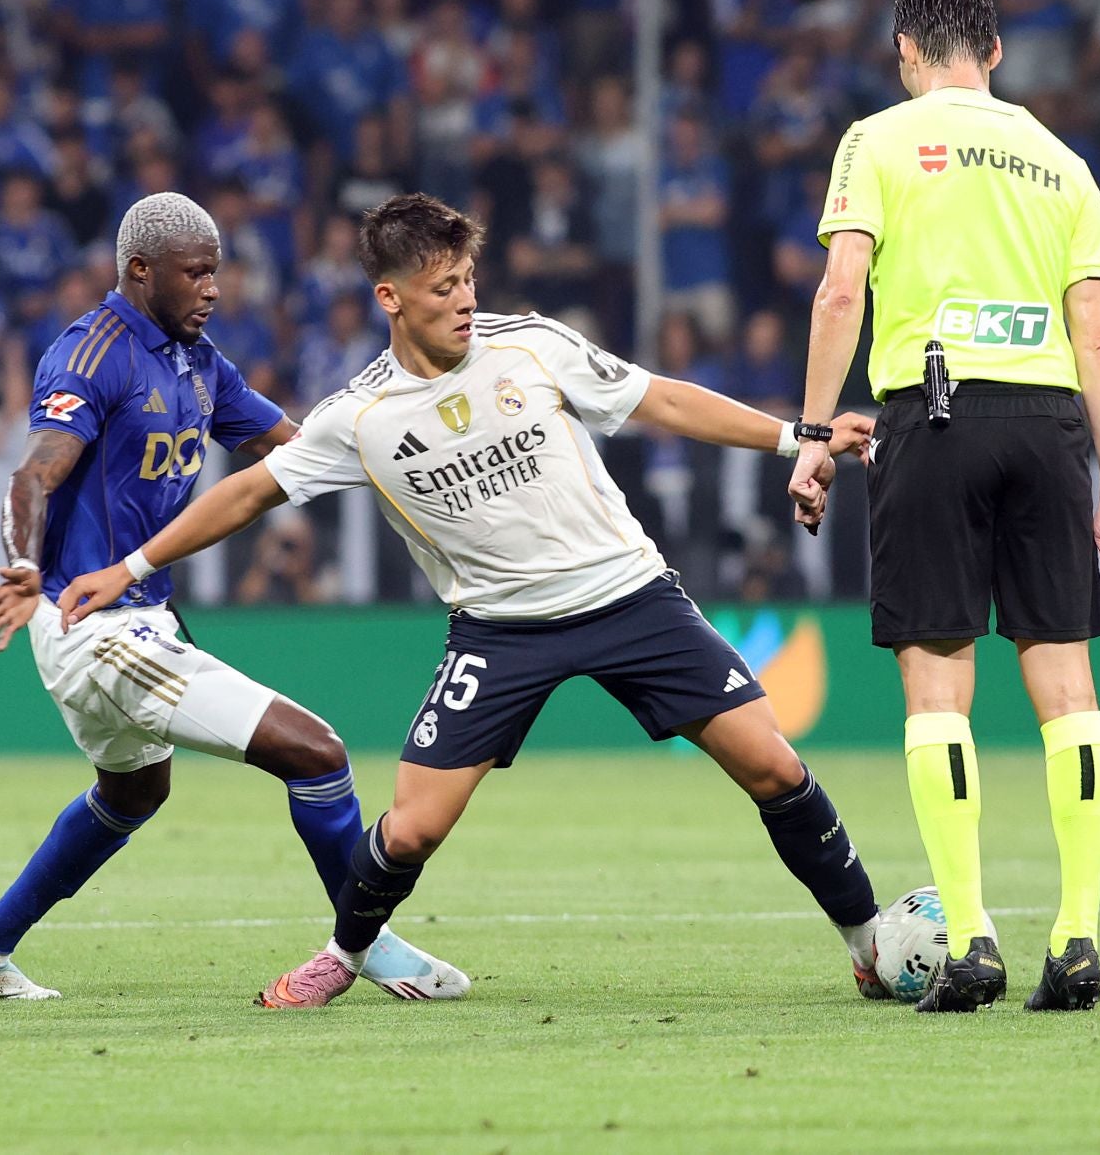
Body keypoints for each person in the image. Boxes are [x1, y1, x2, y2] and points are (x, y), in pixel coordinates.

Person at [57, 193, 886, 1009]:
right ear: (390, 297)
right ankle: (344, 954)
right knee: (412, 827)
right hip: (499, 631)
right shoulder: (359, 417)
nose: (465, 300)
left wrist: (797, 437)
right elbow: (246, 495)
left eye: (467, 279)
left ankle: (869, 944)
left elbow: (659, 398)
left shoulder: (530, 346)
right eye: (442, 287)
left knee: (773, 764)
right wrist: (128, 567)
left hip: (631, 596)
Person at [0, 192, 466, 1004]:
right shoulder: (91, 354)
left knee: (133, 792)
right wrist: (20, 561)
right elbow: (35, 470)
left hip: (137, 616)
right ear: (140, 271)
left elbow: (289, 444)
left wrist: (413, 455)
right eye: (195, 273)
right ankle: (369, 943)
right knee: (319, 752)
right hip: (96, 624)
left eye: (216, 272)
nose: (213, 288)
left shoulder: (195, 360)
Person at [788, 0, 1100, 1013]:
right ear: (993, 53)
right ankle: (1076, 936)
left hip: (930, 419)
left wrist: (812, 432)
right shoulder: (1061, 160)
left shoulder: (879, 140)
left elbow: (841, 287)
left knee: (938, 688)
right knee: (1067, 691)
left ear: (906, 53)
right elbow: (1097, 337)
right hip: (1048, 427)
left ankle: (973, 937)